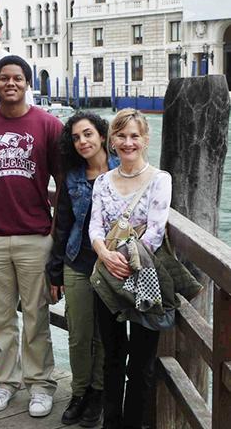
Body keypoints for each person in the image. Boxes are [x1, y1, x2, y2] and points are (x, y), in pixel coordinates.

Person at [0, 55, 62, 417]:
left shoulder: (48, 125)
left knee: (36, 316)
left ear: (27, 83)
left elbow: (62, 181)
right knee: (0, 317)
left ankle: (40, 383)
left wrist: (54, 229)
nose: (10, 83)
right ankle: (5, 381)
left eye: (17, 78)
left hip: (36, 234)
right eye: (4, 78)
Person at [89, 108, 171, 429]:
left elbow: (155, 232)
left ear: (145, 139)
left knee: (141, 363)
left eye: (134, 136)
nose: (128, 142)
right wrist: (105, 256)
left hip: (143, 278)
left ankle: (133, 423)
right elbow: (95, 227)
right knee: (112, 357)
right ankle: (112, 422)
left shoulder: (159, 179)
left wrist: (122, 260)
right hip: (108, 277)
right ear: (112, 141)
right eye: (121, 135)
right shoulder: (102, 182)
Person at [46, 111, 118, 427]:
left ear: (102, 135)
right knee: (78, 333)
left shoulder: (122, 169)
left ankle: (98, 394)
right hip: (78, 260)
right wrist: (55, 271)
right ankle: (79, 392)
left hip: (112, 265)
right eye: (76, 137)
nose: (82, 141)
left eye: (87, 134)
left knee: (104, 336)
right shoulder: (73, 175)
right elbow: (62, 223)